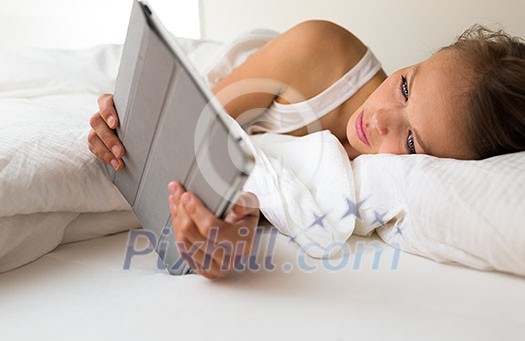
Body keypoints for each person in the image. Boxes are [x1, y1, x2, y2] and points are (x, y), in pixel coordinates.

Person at [87, 21, 525, 279]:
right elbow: (188, 132)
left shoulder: (367, 182)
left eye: (411, 140)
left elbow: (255, 200)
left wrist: (227, 238)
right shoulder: (319, 49)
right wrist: (128, 118)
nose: (381, 119)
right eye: (406, 86)